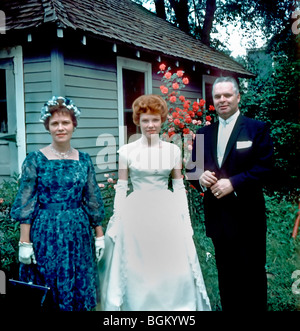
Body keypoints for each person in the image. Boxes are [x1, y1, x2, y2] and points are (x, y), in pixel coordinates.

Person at [98, 94, 211, 311]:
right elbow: (121, 187)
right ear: (138, 121)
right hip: (136, 212)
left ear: (162, 120)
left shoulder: (173, 150)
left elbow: (178, 187)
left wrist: (185, 221)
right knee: (139, 268)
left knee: (170, 265)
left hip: (166, 210)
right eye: (146, 120)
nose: (151, 125)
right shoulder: (126, 152)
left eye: (155, 120)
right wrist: (117, 219)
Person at [186, 77, 274, 311]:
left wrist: (234, 183)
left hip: (248, 218)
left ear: (238, 97)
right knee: (227, 277)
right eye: (217, 96)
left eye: (227, 95)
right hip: (218, 219)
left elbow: (265, 169)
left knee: (253, 276)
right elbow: (192, 169)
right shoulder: (203, 133)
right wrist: (200, 178)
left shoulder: (257, 128)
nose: (222, 100)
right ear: (213, 101)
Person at [11, 96, 105, 311]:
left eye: (65, 123)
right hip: (47, 231)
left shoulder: (84, 159)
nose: (60, 128)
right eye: (55, 123)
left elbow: (92, 199)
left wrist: (99, 235)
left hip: (78, 231)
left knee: (78, 279)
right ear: (48, 127)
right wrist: (24, 243)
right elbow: (27, 203)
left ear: (74, 125)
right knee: (50, 282)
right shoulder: (35, 159)